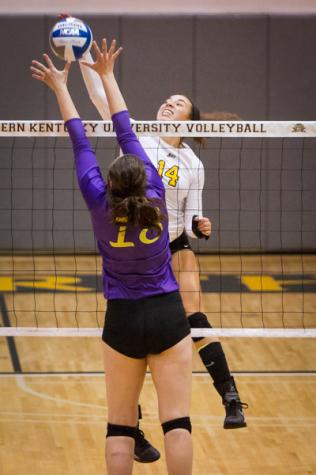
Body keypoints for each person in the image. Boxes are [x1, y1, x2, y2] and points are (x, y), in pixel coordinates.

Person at [31, 39, 193, 475]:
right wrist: (106, 74)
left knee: (119, 428)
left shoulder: (98, 204)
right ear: (146, 178)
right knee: (177, 423)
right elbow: (126, 129)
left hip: (121, 317)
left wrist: (61, 87)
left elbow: (80, 139)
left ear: (108, 183)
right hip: (166, 314)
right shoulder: (157, 194)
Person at [78, 42, 248, 445]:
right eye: (167, 100)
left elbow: (193, 221)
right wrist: (82, 55)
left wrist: (201, 226)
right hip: (135, 245)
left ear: (190, 121)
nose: (169, 105)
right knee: (129, 334)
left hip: (172, 245)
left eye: (179, 103)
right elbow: (101, 98)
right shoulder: (137, 137)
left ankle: (231, 396)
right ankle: (132, 428)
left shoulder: (194, 163)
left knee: (195, 318)